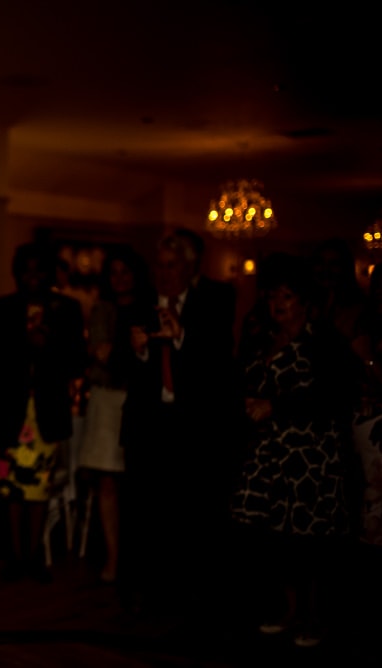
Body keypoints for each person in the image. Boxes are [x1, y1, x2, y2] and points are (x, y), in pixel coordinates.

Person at [229, 252, 356, 648]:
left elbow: (336, 395)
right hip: (269, 453)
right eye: (273, 296)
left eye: (286, 296)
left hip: (311, 455)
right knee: (273, 538)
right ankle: (288, 609)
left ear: (304, 300)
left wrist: (278, 406)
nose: (277, 304)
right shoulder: (262, 340)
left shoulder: (323, 342)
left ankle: (314, 617)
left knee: (309, 540)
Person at [119, 228, 237, 618]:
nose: (164, 274)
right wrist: (136, 352)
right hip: (150, 428)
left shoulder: (216, 300)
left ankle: (195, 597)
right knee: (149, 515)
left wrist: (182, 336)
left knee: (193, 514)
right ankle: (151, 593)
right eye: (160, 266)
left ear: (190, 267)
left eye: (172, 266)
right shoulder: (140, 304)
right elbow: (125, 375)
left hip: (194, 429)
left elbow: (219, 364)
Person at [0, 241, 86, 582]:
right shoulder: (0, 309)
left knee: (39, 487)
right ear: (17, 272)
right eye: (27, 269)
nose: (33, 276)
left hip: (47, 411)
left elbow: (77, 360)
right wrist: (23, 346)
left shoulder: (67, 309)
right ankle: (16, 556)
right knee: (10, 486)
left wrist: (47, 345)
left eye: (40, 269)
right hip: (9, 410)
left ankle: (34, 556)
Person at [75, 245, 153, 584]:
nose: (120, 279)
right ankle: (112, 557)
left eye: (125, 271)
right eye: (114, 272)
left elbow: (129, 360)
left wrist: (126, 357)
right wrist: (130, 354)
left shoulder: (149, 309)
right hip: (108, 401)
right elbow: (104, 355)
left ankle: (135, 558)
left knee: (137, 481)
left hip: (140, 400)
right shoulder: (103, 310)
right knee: (107, 481)